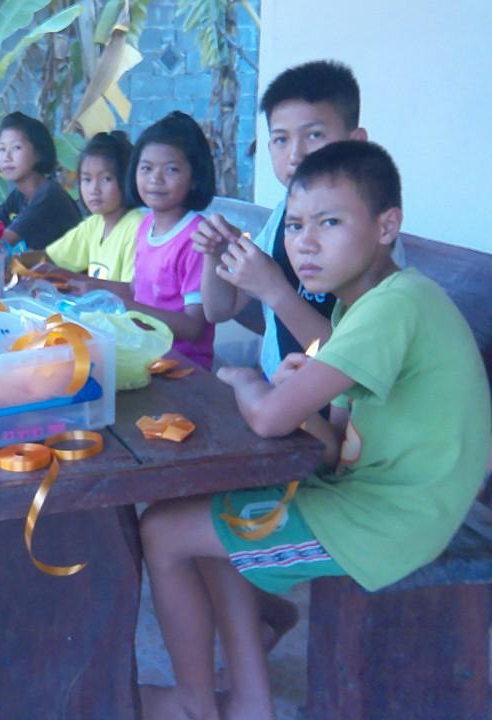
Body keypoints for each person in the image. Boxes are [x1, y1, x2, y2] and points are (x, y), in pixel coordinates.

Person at [139, 141, 491, 720]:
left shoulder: (395, 307)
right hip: (379, 497)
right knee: (205, 504)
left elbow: (267, 418)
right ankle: (250, 701)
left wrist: (247, 381)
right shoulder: (361, 309)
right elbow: (330, 446)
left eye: (330, 223)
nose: (304, 242)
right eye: (296, 224)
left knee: (161, 531)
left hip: (391, 521)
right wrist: (297, 401)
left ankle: (194, 706)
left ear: (386, 226)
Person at [194, 60, 391, 380]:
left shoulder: (371, 238)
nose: (296, 154)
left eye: (314, 135)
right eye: (281, 139)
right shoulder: (281, 219)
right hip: (281, 392)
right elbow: (219, 309)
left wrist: (274, 289)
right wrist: (216, 253)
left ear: (355, 143)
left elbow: (357, 363)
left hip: (339, 408)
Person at [115, 111, 217, 369]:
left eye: (171, 169)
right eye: (146, 168)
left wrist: (128, 309)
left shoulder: (198, 238)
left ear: (195, 178)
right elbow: (137, 291)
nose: (155, 179)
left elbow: (193, 327)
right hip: (144, 353)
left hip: (182, 367)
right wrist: (87, 288)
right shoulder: (146, 224)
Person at [0, 111, 81, 250]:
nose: (7, 157)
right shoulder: (19, 195)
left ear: (39, 153)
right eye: (2, 149)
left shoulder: (48, 195)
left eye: (16, 148)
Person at [42, 131, 144, 282]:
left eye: (106, 179)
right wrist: (12, 262)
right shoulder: (95, 223)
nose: (94, 189)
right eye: (87, 179)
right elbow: (50, 257)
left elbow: (133, 292)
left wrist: (80, 281)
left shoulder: (137, 226)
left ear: (126, 179)